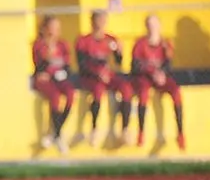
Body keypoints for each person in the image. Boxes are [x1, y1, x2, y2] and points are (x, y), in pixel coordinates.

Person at [74, 10, 134, 147]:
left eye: (103, 20)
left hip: (108, 76)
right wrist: (97, 73)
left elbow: (118, 62)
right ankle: (94, 129)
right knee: (98, 91)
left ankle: (125, 129)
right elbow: (82, 65)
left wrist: (120, 53)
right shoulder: (83, 41)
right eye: (98, 20)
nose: (101, 24)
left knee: (126, 88)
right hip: (92, 77)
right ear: (92, 22)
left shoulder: (111, 40)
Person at [131, 15, 186, 151]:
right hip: (146, 78)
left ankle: (180, 133)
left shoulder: (165, 43)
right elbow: (135, 65)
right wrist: (152, 72)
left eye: (155, 24)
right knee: (143, 94)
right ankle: (141, 132)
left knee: (176, 92)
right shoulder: (140, 44)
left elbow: (168, 64)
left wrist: (162, 74)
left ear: (159, 26)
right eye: (150, 24)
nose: (152, 27)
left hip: (161, 77)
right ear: (146, 26)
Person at [31, 15, 74, 153]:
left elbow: (67, 66)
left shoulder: (63, 45)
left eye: (57, 28)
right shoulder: (39, 44)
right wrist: (47, 58)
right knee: (54, 96)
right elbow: (39, 67)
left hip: (59, 77)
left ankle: (56, 132)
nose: (56, 31)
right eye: (53, 27)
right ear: (45, 28)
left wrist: (60, 73)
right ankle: (57, 135)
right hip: (44, 79)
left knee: (70, 94)